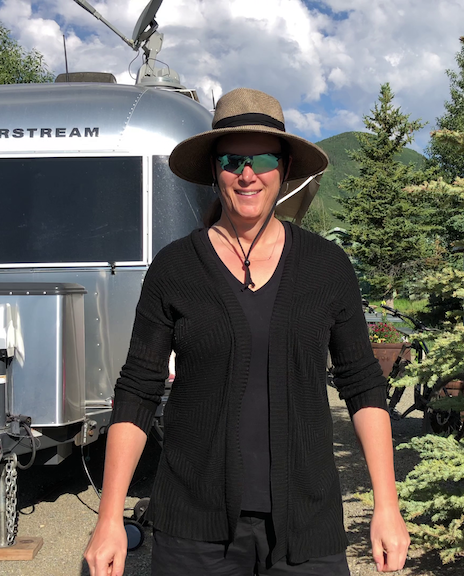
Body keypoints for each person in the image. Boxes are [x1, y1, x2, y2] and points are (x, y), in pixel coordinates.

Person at [84, 88, 410, 575]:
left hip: (307, 525)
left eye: (263, 158)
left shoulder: (327, 267)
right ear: (214, 170)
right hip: (195, 528)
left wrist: (388, 505)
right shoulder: (175, 268)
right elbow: (138, 389)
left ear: (285, 167)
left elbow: (363, 384)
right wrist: (110, 517)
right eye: (232, 160)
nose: (247, 173)